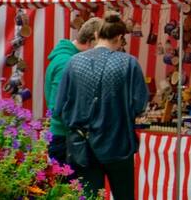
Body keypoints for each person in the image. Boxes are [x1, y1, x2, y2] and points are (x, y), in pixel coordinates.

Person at [55, 14, 149, 200]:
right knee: (124, 196)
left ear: (97, 34)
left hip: (82, 146)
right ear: (120, 38)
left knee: (89, 197)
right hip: (118, 143)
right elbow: (139, 104)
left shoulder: (73, 62)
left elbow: (59, 107)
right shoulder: (129, 63)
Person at [45, 17, 101, 165]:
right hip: (64, 137)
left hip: (66, 136)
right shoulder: (66, 62)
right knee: (65, 186)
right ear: (91, 40)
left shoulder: (69, 59)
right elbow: (58, 106)